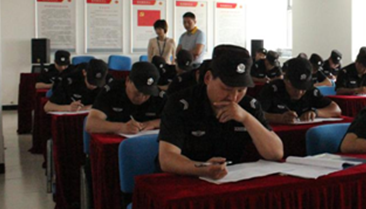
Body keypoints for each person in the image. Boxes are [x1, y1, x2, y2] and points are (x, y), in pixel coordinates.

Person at [158, 45, 283, 180]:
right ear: (208, 78)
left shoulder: (248, 106)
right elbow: (167, 158)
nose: (233, 97)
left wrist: (246, 118)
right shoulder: (181, 104)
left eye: (240, 90)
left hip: (229, 179)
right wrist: (202, 168)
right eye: (227, 89)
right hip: (185, 179)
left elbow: (276, 153)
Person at [85, 62, 165, 135]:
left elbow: (172, 119)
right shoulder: (111, 91)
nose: (142, 97)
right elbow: (91, 124)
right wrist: (121, 127)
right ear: (128, 81)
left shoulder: (158, 96)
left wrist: (152, 123)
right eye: (138, 93)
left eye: (147, 94)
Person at [258, 57, 341, 124]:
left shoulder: (311, 91)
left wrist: (315, 112)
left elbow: (336, 109)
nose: (300, 92)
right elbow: (256, 113)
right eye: (295, 88)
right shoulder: (272, 89)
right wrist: (279, 118)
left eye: (303, 89)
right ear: (286, 80)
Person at [44, 59, 111, 112]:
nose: (93, 86)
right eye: (91, 82)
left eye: (97, 83)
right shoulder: (69, 81)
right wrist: (69, 108)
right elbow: (47, 107)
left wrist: (91, 107)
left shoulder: (108, 82)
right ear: (84, 72)